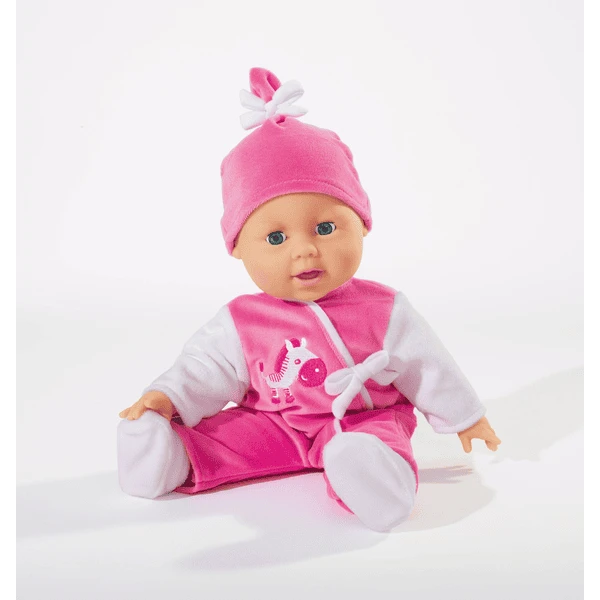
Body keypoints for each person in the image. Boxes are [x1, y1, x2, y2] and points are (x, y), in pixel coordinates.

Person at [117, 68, 501, 532]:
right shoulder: (242, 320)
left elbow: (428, 365)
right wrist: (167, 396)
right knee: (224, 436)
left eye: (325, 228)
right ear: (238, 248)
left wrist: (465, 417)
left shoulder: (385, 308)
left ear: (361, 225)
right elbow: (205, 367)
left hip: (364, 420)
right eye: (276, 237)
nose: (305, 250)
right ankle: (167, 457)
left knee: (378, 440)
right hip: (274, 421)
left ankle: (376, 479)